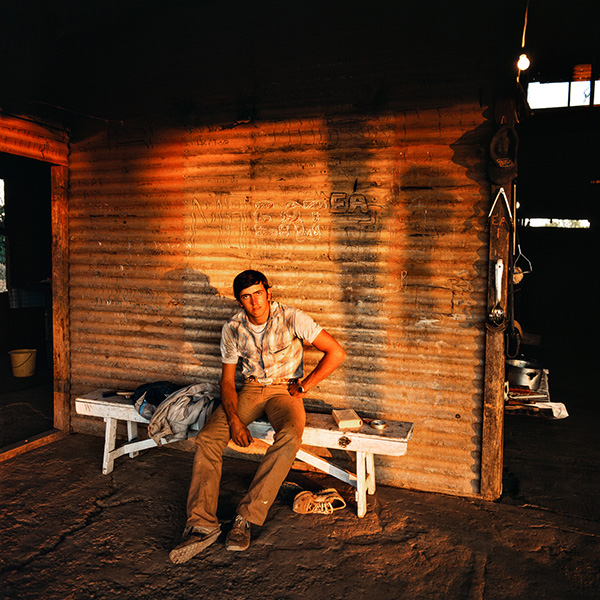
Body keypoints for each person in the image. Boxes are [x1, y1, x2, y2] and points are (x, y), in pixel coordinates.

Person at [170, 270, 346, 563]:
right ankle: (201, 524)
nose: (255, 302)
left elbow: (335, 352)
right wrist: (235, 420)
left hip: (284, 392)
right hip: (250, 389)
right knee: (208, 438)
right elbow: (227, 381)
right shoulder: (233, 328)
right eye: (246, 297)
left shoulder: (292, 317)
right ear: (240, 302)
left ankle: (246, 518)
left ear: (268, 292)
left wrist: (305, 385)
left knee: (290, 436)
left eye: (258, 293)